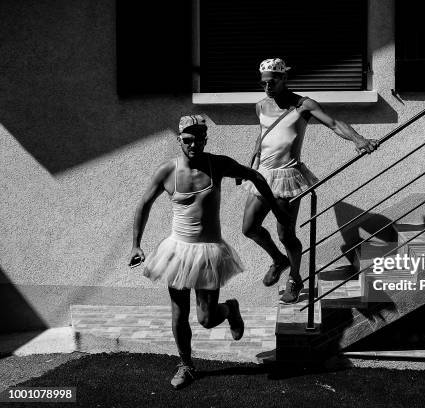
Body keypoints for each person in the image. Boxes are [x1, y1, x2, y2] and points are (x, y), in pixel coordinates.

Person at [129, 115, 289, 389]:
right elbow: (143, 204)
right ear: (179, 140)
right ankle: (186, 365)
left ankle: (230, 309)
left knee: (206, 319)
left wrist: (275, 210)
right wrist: (136, 244)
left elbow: (254, 176)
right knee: (179, 313)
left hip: (208, 253)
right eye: (187, 140)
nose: (193, 145)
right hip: (177, 252)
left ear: (205, 139)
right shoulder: (167, 171)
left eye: (198, 139)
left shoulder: (217, 164)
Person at [242, 58, 379, 304]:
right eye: (263, 83)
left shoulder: (303, 105)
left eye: (272, 82)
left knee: (286, 235)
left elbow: (334, 123)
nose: (267, 88)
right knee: (249, 228)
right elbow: (263, 133)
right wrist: (254, 155)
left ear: (284, 78)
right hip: (262, 174)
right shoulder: (261, 106)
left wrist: (358, 139)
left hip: (287, 176)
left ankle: (294, 278)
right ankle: (279, 260)